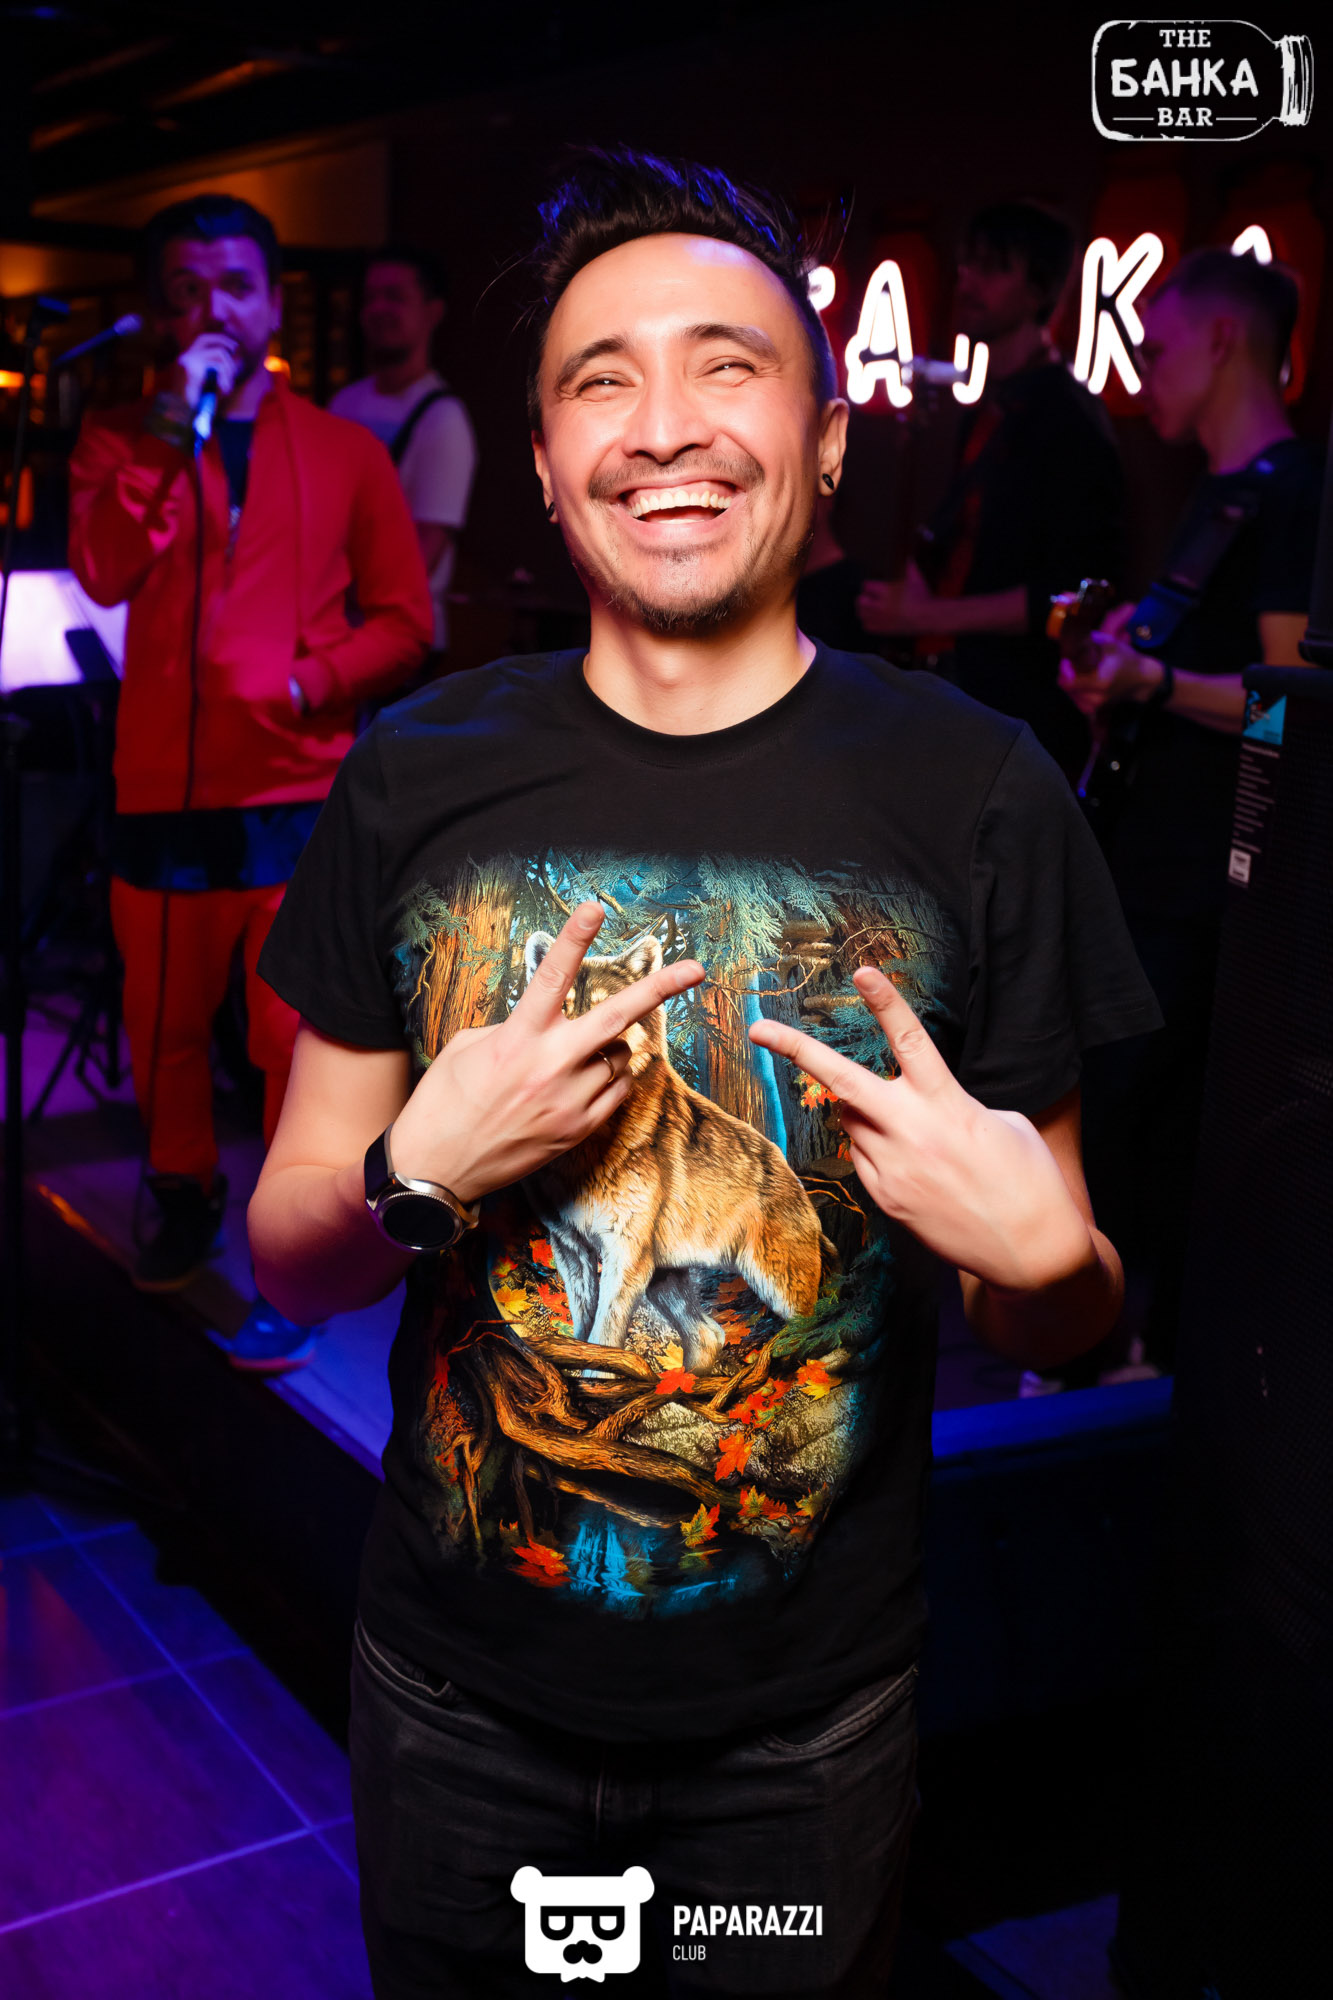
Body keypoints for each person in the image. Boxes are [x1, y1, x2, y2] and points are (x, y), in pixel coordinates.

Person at [248, 148, 1161, 1998]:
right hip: (455, 1708)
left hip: (800, 1745)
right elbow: (289, 1249)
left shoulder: (978, 793)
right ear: (542, 462)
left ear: (823, 443)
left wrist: (1051, 1267)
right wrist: (418, 1173)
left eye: (726, 367)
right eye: (602, 380)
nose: (663, 426)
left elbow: (1062, 1303)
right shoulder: (416, 774)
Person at [68, 192, 433, 1369]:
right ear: (161, 313)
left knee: (288, 1040)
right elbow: (103, 569)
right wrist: (164, 427)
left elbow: (406, 621)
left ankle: (291, 1245)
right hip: (159, 791)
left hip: (294, 792)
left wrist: (307, 681)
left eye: (232, 284)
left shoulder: (344, 449)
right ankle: (181, 1192)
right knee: (164, 1026)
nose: (210, 307)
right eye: (184, 290)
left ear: (273, 302)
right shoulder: (120, 437)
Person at [1059, 248, 1322, 1372]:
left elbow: (1289, 696)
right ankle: (1109, 1355)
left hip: (1210, 873)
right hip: (1152, 855)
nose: (1142, 375)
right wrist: (1122, 667)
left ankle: (1115, 1358)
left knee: (1146, 1113)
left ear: (1221, 342)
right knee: (1126, 1108)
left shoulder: (1294, 489)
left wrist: (1154, 682)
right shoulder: (1214, 494)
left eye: (1158, 350)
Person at [857, 200, 1126, 781]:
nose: (968, 281)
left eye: (993, 267)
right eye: (967, 263)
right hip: (963, 686)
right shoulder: (993, 406)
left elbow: (1067, 591)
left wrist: (925, 613)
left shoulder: (1069, 418)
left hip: (1017, 708)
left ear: (1039, 289)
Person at [331, 247, 478, 667]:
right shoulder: (345, 403)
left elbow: (425, 548)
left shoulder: (443, 418)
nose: (379, 309)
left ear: (433, 312)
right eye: (371, 297)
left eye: (395, 297)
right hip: (341, 630)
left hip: (405, 640)